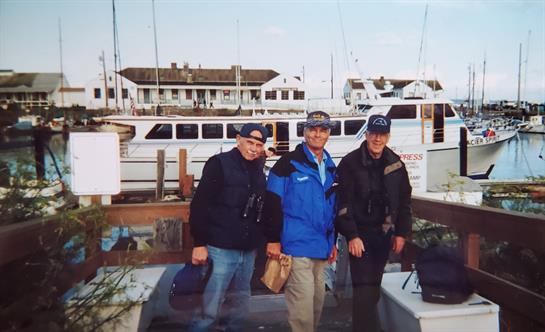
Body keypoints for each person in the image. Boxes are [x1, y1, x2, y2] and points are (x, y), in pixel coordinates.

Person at [188, 123, 269, 332]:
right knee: (208, 310)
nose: (253, 148)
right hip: (219, 249)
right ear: (238, 139)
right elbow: (199, 204)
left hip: (248, 250)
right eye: (249, 142)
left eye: (258, 145)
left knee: (239, 309)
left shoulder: (259, 169)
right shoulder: (219, 164)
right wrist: (199, 243)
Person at [335, 114, 412, 332]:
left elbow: (404, 201)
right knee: (363, 289)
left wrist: (401, 233)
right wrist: (351, 235)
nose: (377, 139)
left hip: (384, 236)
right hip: (359, 235)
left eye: (382, 134)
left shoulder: (396, 164)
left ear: (387, 136)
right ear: (367, 134)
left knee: (374, 287)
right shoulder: (350, 163)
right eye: (373, 134)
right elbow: (342, 204)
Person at [263, 111, 338, 332]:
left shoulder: (331, 166)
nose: (317, 134)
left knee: (316, 306)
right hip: (296, 248)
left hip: (322, 248)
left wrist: (332, 241)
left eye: (323, 129)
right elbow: (272, 204)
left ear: (328, 134)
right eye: (312, 129)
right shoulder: (287, 164)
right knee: (302, 311)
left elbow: (331, 209)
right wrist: (273, 240)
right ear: (304, 132)